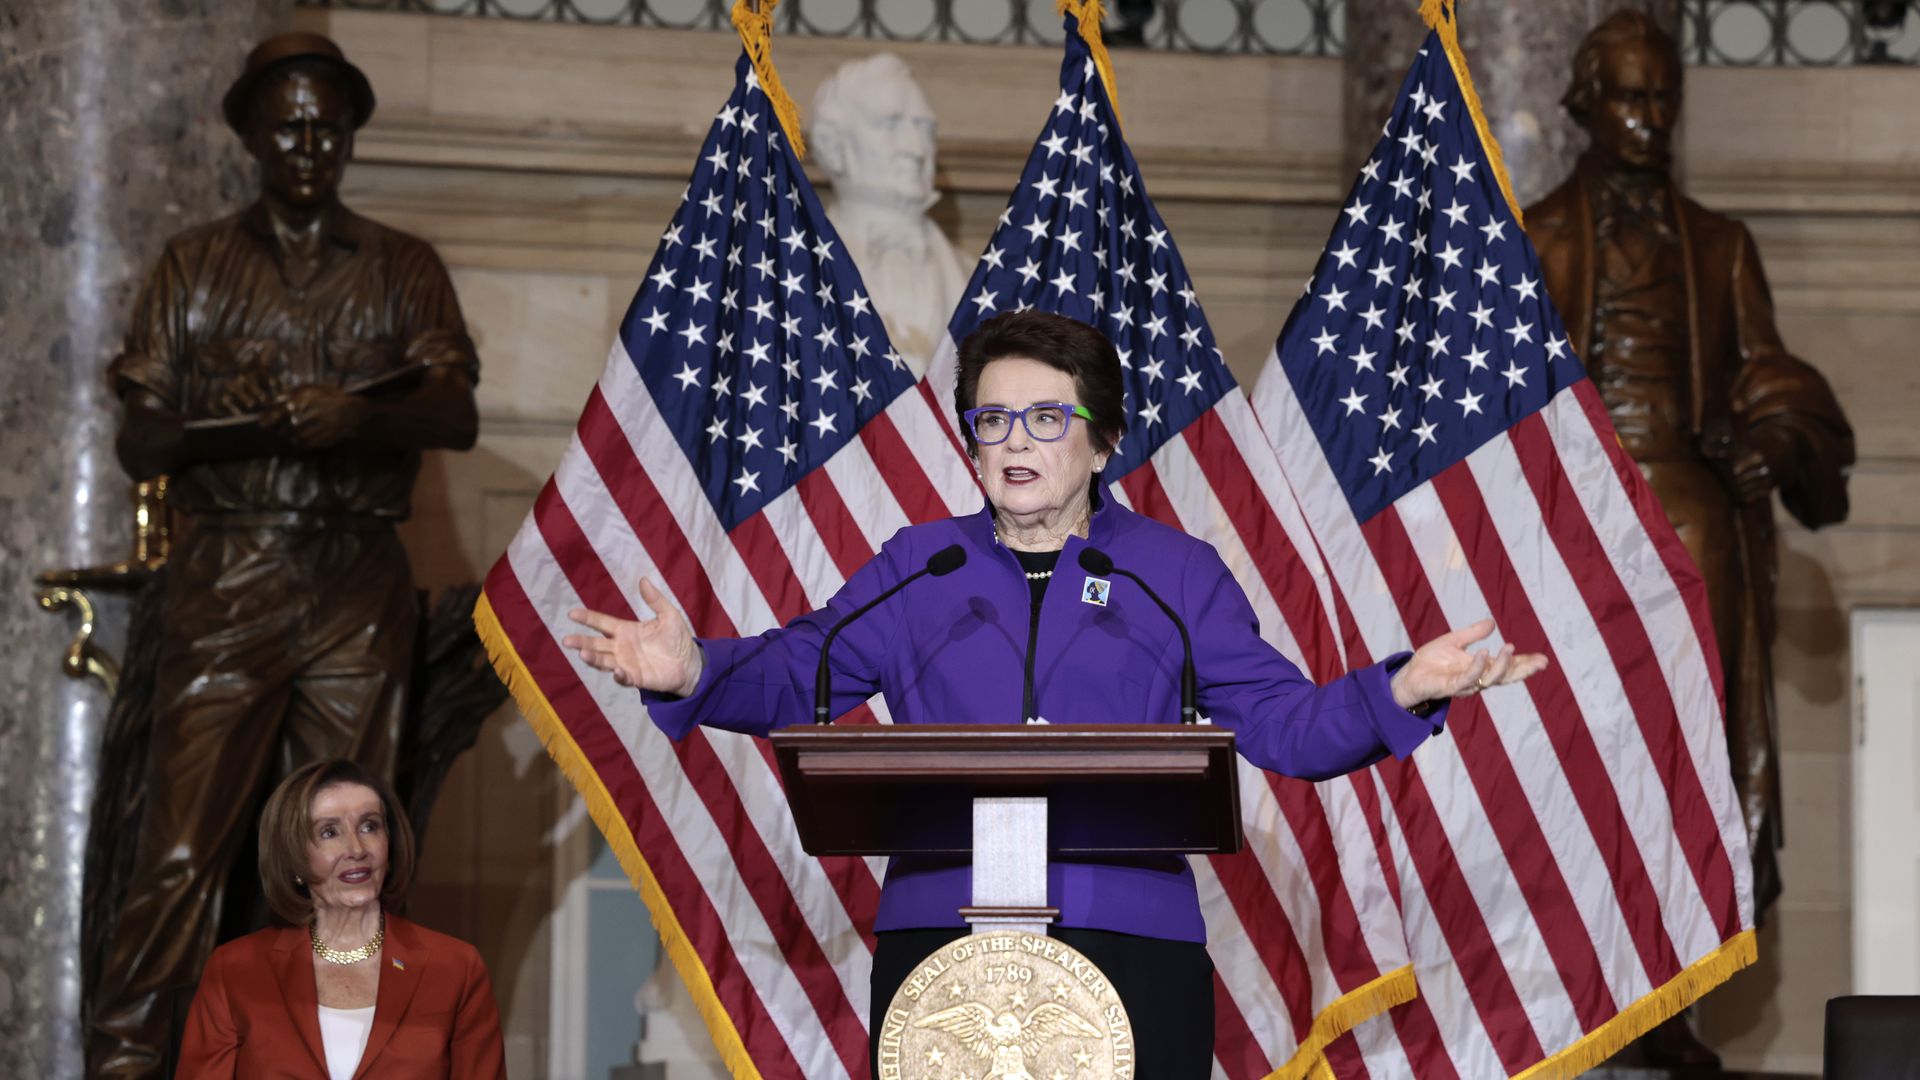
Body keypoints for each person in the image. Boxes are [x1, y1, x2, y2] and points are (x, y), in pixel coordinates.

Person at [564, 311, 1547, 1075]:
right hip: (943, 943)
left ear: (1103, 438)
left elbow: (1289, 727)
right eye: (992, 420)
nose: (1013, 440)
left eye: (1045, 417)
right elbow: (801, 668)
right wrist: (694, 670)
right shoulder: (923, 566)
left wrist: (1406, 687)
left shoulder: (1176, 572)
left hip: (1129, 939)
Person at [88, 32, 481, 1075]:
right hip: (227, 573)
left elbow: (452, 413)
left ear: (349, 133)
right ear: (251, 137)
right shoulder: (194, 265)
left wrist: (353, 419)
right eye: (288, 127)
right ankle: (126, 1060)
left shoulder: (403, 266)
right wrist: (267, 426)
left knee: (350, 847)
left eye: (328, 126)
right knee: (179, 849)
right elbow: (141, 438)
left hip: (356, 578)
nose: (309, 145)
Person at [1527, 10, 1854, 923]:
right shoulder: (1536, 236)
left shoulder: (1721, 245)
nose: (1651, 118)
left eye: (1665, 97)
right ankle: (1577, 976)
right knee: (1578, 740)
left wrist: (1772, 446)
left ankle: (1676, 971)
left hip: (1690, 506)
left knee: (1688, 743)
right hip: (1575, 512)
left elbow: (1772, 379)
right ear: (1588, 105)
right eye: (1632, 97)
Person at [175, 760, 508, 1079]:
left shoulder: (456, 968)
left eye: (369, 826)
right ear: (293, 857)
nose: (357, 848)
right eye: (329, 832)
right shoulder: (235, 970)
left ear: (389, 844)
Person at [809, 53, 969, 375]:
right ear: (831, 145)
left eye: (924, 129)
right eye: (890, 124)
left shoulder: (978, 280)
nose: (917, 149)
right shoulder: (788, 277)